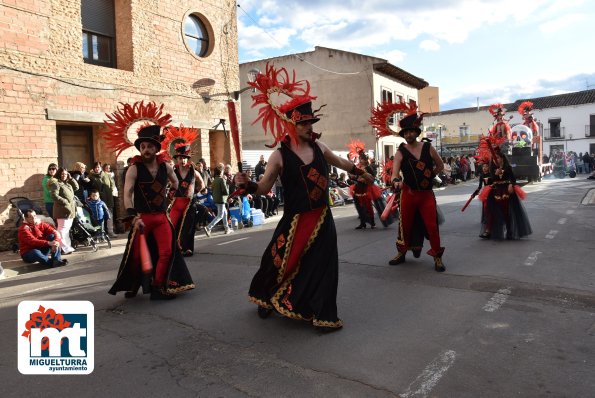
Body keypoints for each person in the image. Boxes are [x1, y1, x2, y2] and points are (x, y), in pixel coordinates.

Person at [237, 75, 374, 332]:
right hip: (295, 220)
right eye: (303, 123)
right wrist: (247, 185)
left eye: (311, 122)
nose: (309, 127)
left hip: (322, 218)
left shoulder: (319, 147)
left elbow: (342, 164)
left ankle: (324, 315)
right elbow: (265, 187)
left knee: (323, 266)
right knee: (278, 262)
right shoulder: (279, 155)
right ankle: (266, 297)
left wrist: (360, 172)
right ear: (290, 124)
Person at [107, 124, 194, 300]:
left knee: (167, 253)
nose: (146, 150)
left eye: (150, 146)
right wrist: (132, 216)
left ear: (156, 148)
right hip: (142, 219)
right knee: (136, 256)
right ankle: (133, 285)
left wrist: (168, 197)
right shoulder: (134, 168)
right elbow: (127, 193)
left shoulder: (166, 167)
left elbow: (176, 184)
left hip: (162, 218)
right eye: (143, 147)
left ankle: (158, 286)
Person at [388, 106, 446, 272]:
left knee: (432, 226)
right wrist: (396, 181)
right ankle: (401, 253)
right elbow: (394, 173)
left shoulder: (428, 148)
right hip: (408, 194)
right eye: (405, 133)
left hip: (426, 195)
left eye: (410, 132)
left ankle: (437, 257)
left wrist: (430, 176)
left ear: (416, 132)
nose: (408, 135)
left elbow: (440, 165)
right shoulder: (400, 152)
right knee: (404, 225)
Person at [478, 149, 532, 240]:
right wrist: (495, 174)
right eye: (494, 159)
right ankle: (489, 231)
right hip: (495, 191)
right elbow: (492, 180)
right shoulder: (492, 168)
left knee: (507, 212)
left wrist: (511, 184)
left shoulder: (508, 167)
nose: (496, 160)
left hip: (507, 191)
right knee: (491, 212)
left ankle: (509, 231)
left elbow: (513, 179)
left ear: (502, 158)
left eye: (498, 158)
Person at [170, 141, 204, 256]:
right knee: (172, 226)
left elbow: (202, 185)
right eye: (180, 158)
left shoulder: (193, 172)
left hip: (189, 204)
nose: (182, 160)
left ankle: (187, 249)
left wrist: (194, 193)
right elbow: (167, 185)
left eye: (184, 158)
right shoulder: (173, 172)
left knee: (188, 228)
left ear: (187, 159)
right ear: (177, 159)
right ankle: (173, 248)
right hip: (176, 203)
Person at [49, 167, 78, 255]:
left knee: (67, 230)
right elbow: (54, 195)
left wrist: (71, 178)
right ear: (58, 174)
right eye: (62, 174)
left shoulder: (67, 184)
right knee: (62, 230)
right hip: (62, 210)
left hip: (70, 210)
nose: (64, 176)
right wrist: (65, 202)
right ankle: (63, 248)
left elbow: (76, 187)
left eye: (65, 174)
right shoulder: (56, 184)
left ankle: (67, 247)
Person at [89, 161, 117, 238]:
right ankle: (102, 232)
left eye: (98, 167)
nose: (97, 169)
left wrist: (112, 190)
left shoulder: (106, 175)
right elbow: (90, 188)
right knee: (100, 216)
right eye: (95, 168)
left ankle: (110, 231)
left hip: (108, 197)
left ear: (100, 167)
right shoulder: (91, 177)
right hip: (98, 200)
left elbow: (112, 184)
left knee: (109, 214)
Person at [204, 166, 232, 236]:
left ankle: (227, 228)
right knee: (220, 215)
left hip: (216, 199)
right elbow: (225, 192)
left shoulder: (214, 180)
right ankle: (208, 227)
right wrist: (227, 184)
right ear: (221, 172)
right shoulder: (221, 180)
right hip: (221, 200)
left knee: (225, 213)